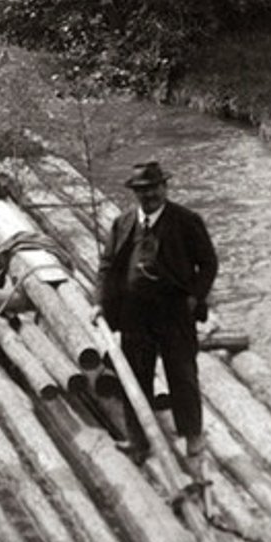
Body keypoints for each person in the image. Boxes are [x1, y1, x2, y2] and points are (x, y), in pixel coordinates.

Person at [96, 161, 218, 467]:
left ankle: (192, 436)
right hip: (134, 315)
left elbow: (209, 264)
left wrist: (193, 298)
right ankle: (139, 441)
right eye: (142, 191)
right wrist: (101, 303)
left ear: (164, 188)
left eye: (154, 188)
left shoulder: (186, 221)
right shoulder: (123, 223)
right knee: (136, 378)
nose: (149, 195)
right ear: (135, 193)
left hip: (174, 313)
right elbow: (108, 267)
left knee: (182, 375)